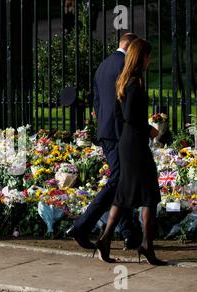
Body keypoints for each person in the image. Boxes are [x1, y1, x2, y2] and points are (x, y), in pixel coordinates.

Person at [93, 38, 166, 266]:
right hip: (135, 144)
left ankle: (105, 240)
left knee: (125, 194)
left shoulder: (125, 81)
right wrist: (151, 131)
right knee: (149, 195)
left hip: (128, 143)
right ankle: (147, 245)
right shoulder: (134, 83)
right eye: (148, 55)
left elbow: (123, 115)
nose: (150, 60)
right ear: (140, 57)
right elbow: (131, 117)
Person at [66, 33, 141, 250]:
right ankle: (82, 225)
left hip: (106, 131)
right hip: (120, 132)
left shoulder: (103, 66)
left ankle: (130, 233)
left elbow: (97, 102)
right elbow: (127, 102)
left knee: (121, 180)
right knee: (118, 180)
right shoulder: (126, 65)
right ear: (131, 46)